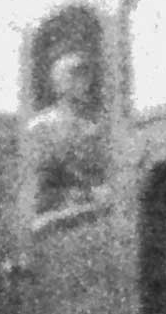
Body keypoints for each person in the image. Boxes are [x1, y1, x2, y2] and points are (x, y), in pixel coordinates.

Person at [23, 51, 106, 215]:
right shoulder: (42, 128)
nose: (82, 83)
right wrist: (86, 195)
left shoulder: (98, 126)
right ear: (57, 84)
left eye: (85, 77)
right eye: (74, 77)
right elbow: (38, 191)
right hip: (62, 217)